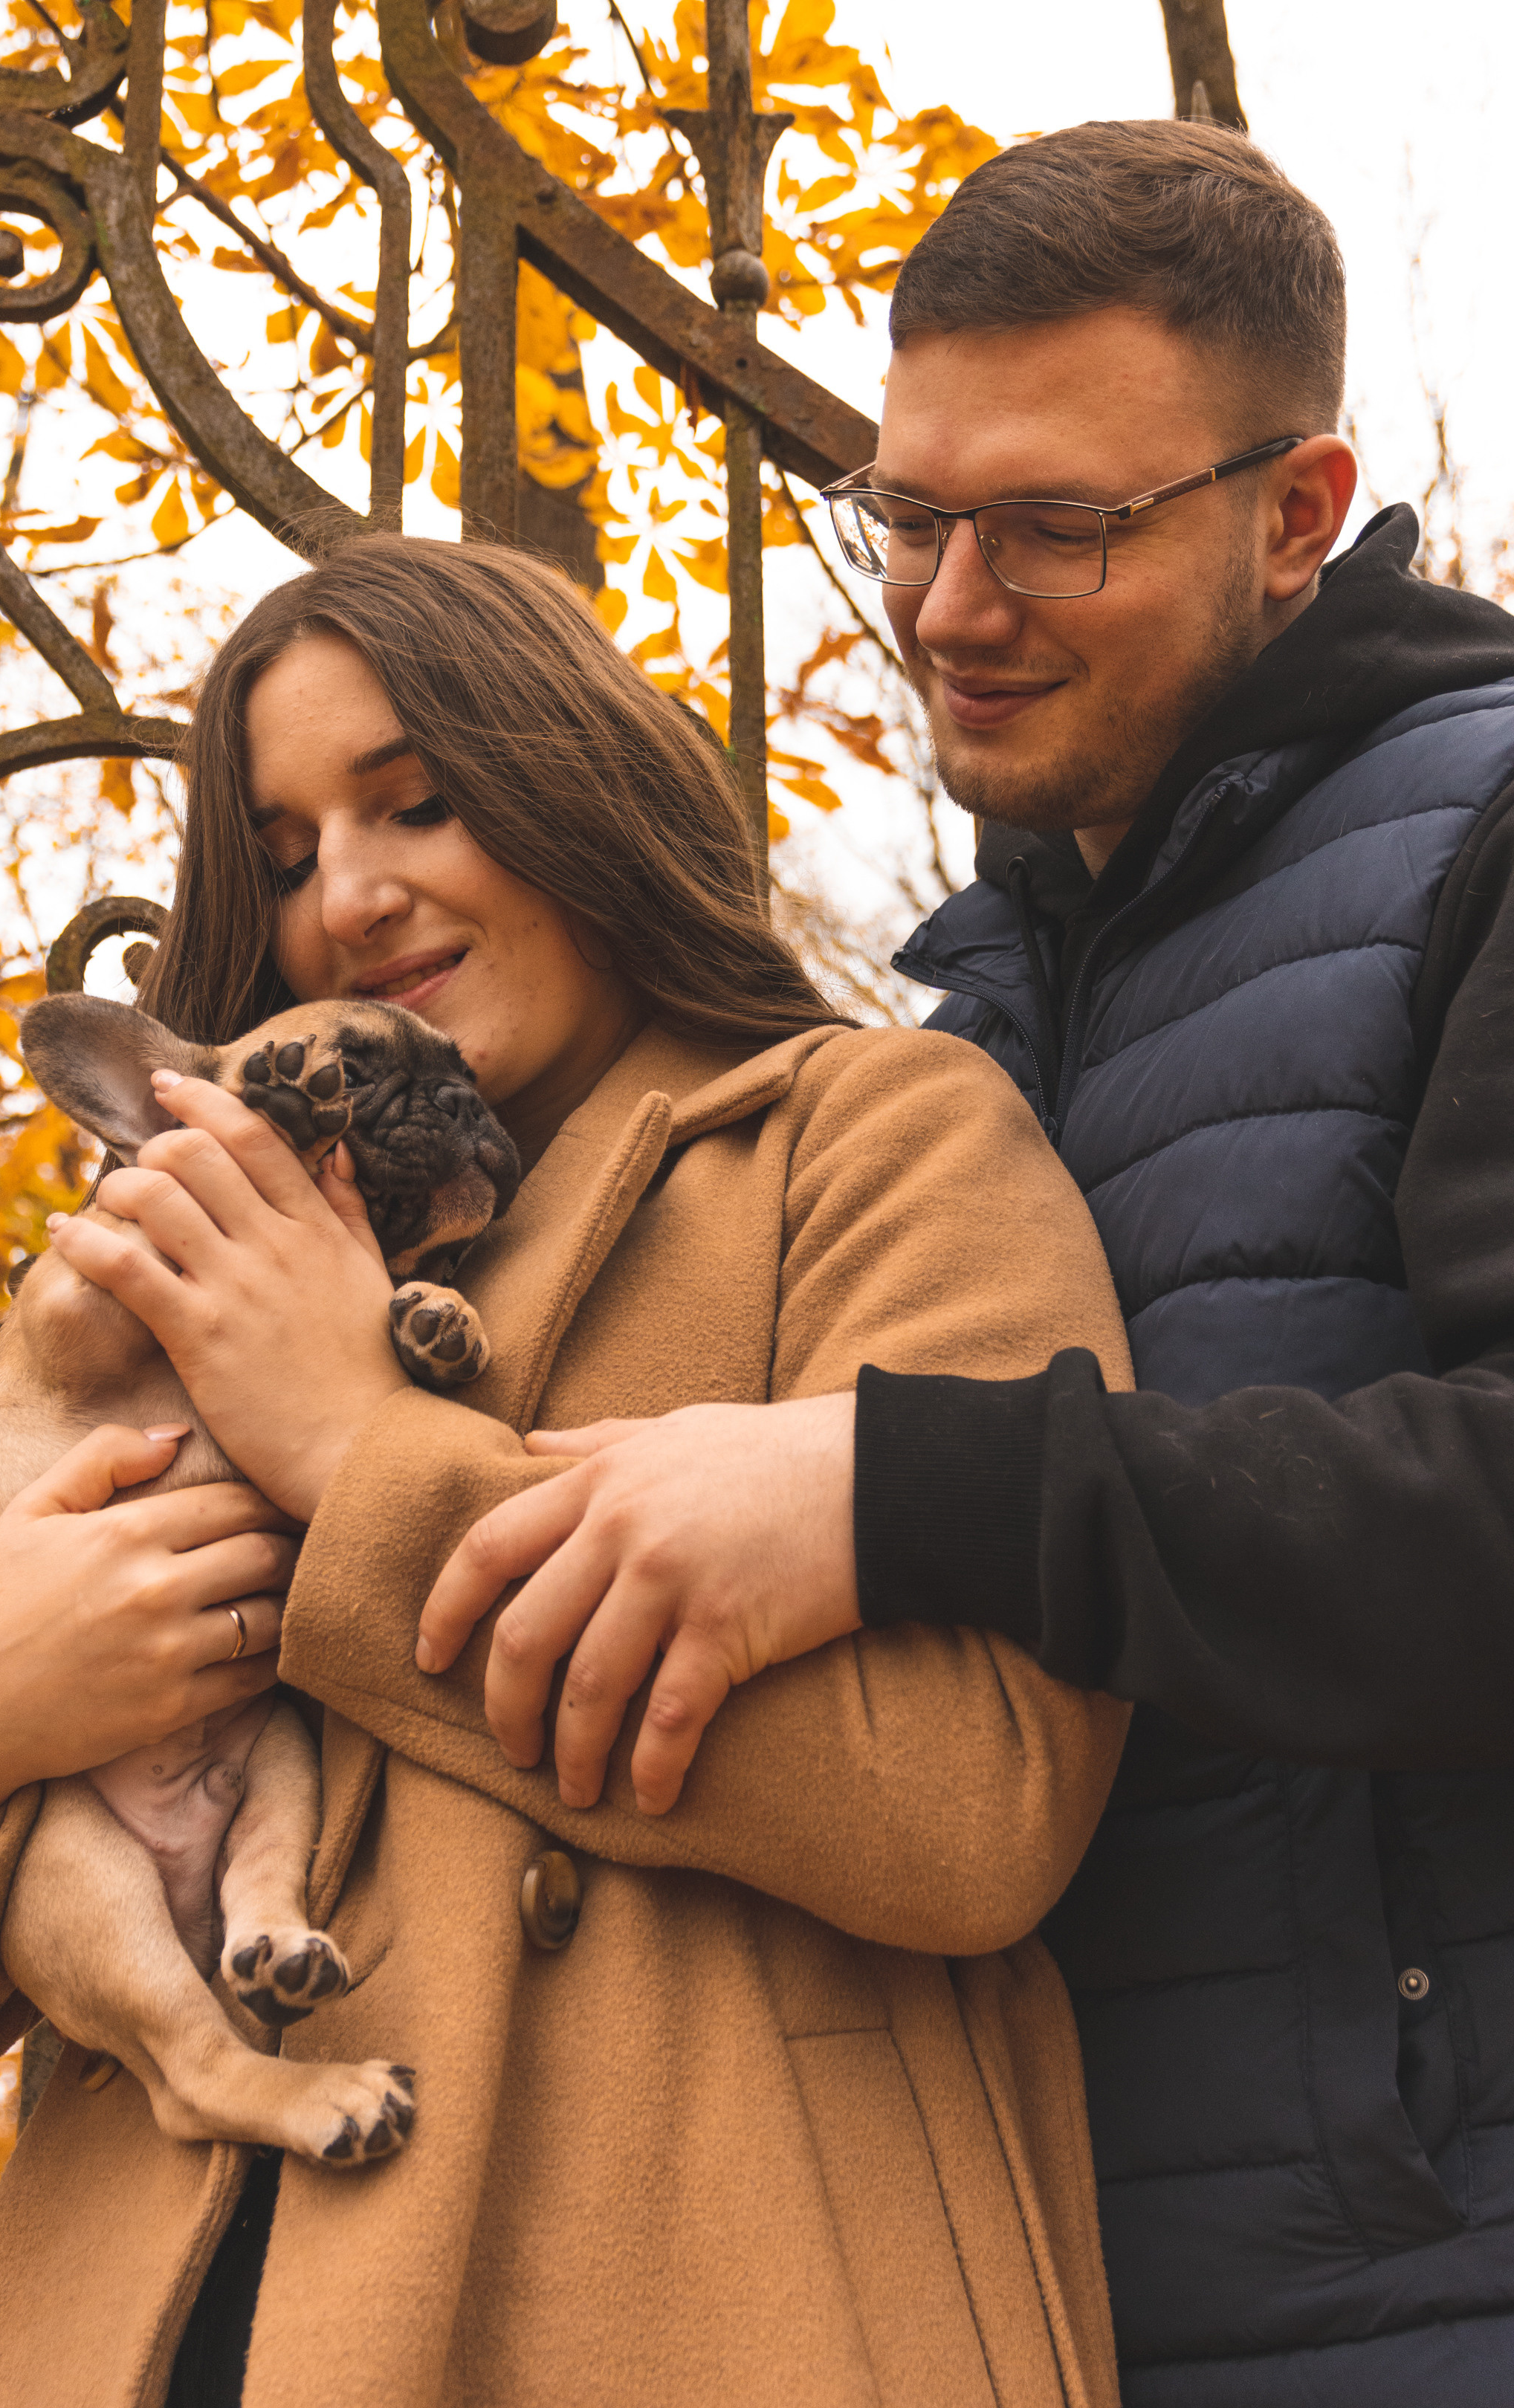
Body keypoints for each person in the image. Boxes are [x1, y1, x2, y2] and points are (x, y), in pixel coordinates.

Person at [427, 125, 1514, 2404]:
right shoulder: (980, 1007)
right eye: (912, 517)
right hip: (1024, 2290)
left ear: (1297, 513)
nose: (944, 606)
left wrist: (883, 1493)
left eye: (1054, 529)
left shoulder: (1485, 838)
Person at [0, 535, 1134, 2407]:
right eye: (292, 852)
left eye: (417, 802)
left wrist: (357, 1457)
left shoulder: (873, 1139)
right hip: (147, 2322)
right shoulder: (176, 1262)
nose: (356, 896)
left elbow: (977, 1803)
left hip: (694, 2304)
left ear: (573, 773)